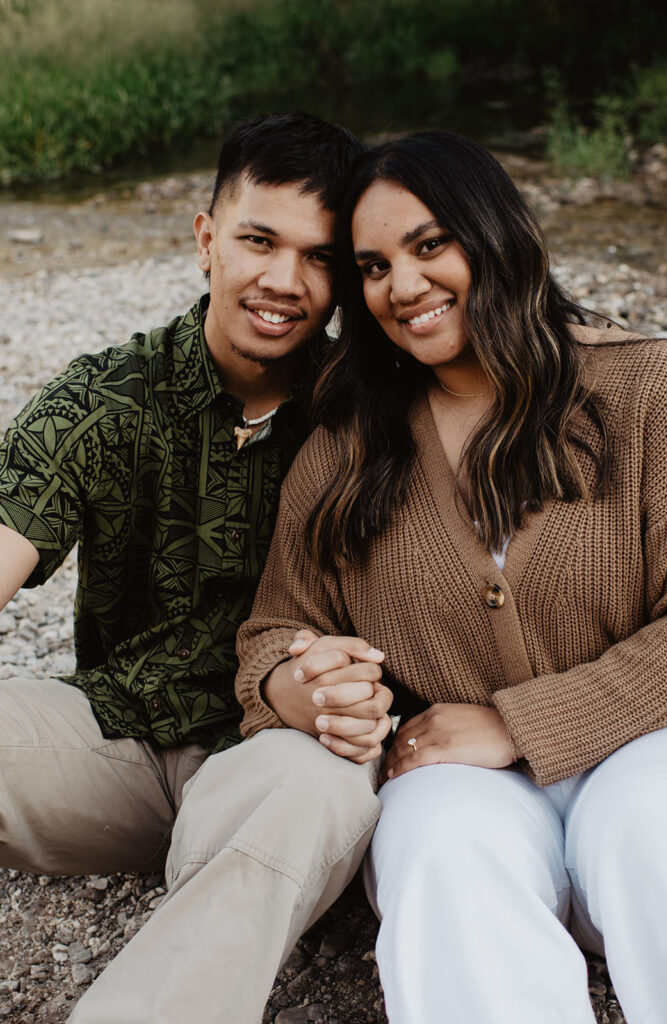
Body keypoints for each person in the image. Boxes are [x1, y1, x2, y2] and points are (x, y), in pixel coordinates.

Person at [236, 131, 667, 1024]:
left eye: (431, 245)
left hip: (664, 745)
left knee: (650, 819)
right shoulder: (348, 448)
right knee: (435, 838)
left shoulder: (651, 388)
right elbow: (276, 626)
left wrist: (519, 721)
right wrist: (307, 689)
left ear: (497, 233)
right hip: (469, 781)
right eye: (374, 266)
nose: (405, 286)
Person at [0, 112, 392, 1023]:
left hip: (285, 758)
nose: (282, 281)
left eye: (318, 256)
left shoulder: (374, 417)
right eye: (258, 240)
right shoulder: (104, 397)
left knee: (315, 785)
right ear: (207, 239)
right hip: (117, 745)